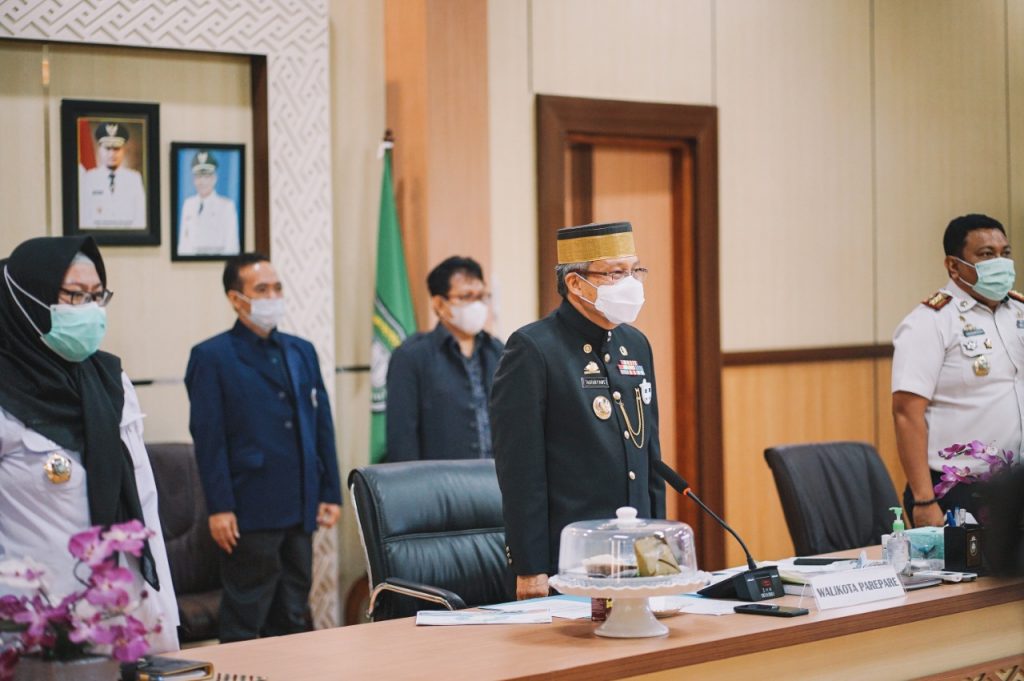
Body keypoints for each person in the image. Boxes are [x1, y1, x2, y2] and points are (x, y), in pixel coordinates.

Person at [0, 236, 178, 652]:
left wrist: (164, 616)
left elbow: (144, 506)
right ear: (28, 300)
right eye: (74, 296)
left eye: (98, 296)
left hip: (125, 611)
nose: (90, 310)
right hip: (35, 623)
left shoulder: (111, 382)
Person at [490, 221, 665, 600]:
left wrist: (658, 552)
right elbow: (521, 472)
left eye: (635, 270)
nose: (630, 282)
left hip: (635, 551)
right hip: (569, 560)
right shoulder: (534, 348)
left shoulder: (635, 344)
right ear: (576, 283)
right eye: (615, 273)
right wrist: (530, 567)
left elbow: (649, 458)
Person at [184, 253, 342, 642]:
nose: (273, 296)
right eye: (261, 289)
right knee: (245, 616)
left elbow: (321, 423)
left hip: (301, 505)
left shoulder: (301, 350)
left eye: (277, 288)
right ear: (236, 299)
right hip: (249, 508)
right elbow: (209, 439)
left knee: (293, 613)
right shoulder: (212, 356)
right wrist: (220, 507)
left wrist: (330, 491)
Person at [892, 213, 1024, 527]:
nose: (1000, 263)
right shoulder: (930, 322)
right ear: (954, 266)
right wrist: (924, 500)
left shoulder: (1019, 312)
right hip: (958, 490)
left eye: (1004, 253)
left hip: (1015, 486)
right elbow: (906, 413)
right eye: (986, 254)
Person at [385, 256, 504, 461]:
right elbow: (402, 438)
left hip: (495, 476)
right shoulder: (412, 356)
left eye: (481, 296)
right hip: (441, 479)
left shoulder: (498, 350)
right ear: (439, 304)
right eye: (466, 296)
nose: (477, 305)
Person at [79, 122, 147, 229]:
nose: (112, 154)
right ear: (99, 150)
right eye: (107, 148)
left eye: (116, 149)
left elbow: (140, 218)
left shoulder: (134, 178)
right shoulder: (89, 178)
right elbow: (84, 218)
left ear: (123, 150)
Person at [176, 150, 241, 257]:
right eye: (198, 177)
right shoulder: (188, 204)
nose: (202, 182)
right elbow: (183, 244)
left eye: (206, 177)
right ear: (193, 180)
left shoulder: (226, 206)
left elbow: (232, 246)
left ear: (214, 178)